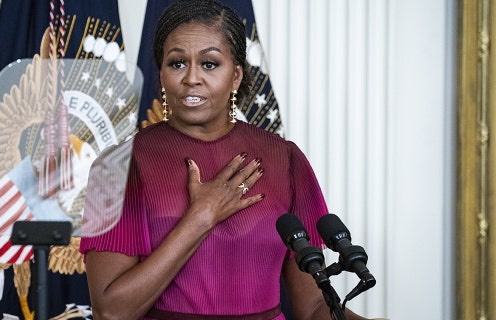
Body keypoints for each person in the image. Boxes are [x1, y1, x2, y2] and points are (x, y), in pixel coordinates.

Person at [79, 1, 377, 319]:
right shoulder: (118, 167)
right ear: (162, 72)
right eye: (177, 63)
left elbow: (315, 307)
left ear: (235, 76)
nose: (191, 78)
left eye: (209, 64)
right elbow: (110, 312)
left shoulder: (286, 160)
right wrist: (202, 217)